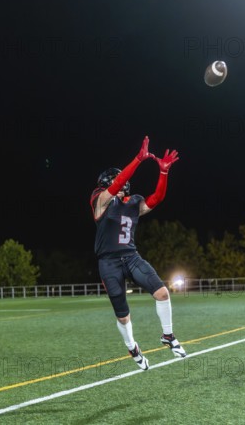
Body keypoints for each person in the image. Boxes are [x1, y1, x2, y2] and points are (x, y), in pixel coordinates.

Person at [90, 136, 187, 370]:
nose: (120, 181)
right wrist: (138, 159)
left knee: (163, 293)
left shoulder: (134, 202)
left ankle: (168, 336)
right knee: (123, 315)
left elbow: (157, 199)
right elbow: (115, 185)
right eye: (115, 178)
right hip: (109, 263)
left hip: (131, 257)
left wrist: (163, 172)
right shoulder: (100, 200)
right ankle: (132, 346)